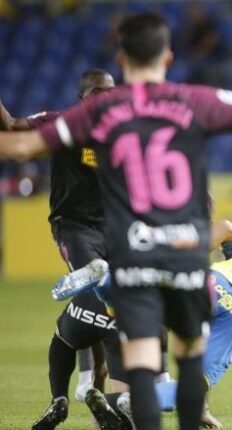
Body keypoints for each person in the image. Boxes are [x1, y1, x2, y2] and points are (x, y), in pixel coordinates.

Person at [0, 12, 232, 430]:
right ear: (169, 57)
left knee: (140, 366)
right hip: (181, 251)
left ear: (121, 58)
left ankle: (103, 299)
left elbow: (21, 142)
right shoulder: (191, 100)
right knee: (191, 363)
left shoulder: (98, 113)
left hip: (132, 249)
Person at [67, 220, 232, 429]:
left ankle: (105, 282)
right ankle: (135, 399)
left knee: (142, 307)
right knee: (193, 383)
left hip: (207, 281)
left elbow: (228, 228)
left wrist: (189, 257)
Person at [0, 69, 124, 430]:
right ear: (84, 97)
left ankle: (92, 393)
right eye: (104, 92)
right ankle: (82, 389)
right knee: (94, 298)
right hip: (76, 228)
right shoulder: (61, 124)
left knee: (111, 309)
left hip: (113, 230)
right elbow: (10, 127)